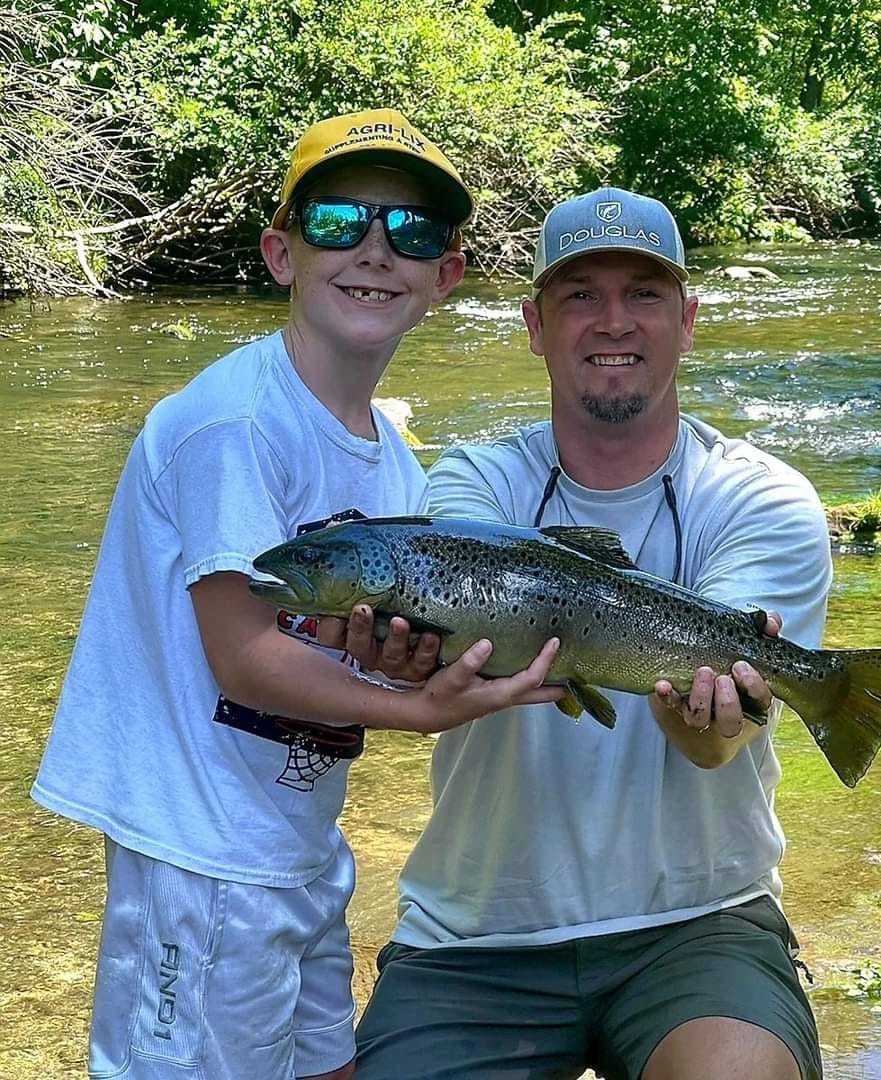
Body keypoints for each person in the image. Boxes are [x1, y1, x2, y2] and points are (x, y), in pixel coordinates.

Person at [30, 108, 562, 1080]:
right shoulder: (233, 422)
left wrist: (400, 670)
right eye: (337, 225)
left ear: (445, 277)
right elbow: (246, 656)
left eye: (410, 234)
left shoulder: (398, 469)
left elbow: (346, 650)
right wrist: (419, 716)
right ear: (281, 252)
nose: (373, 251)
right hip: (196, 849)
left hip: (295, 846)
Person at [347, 187, 832, 1079]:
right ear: (534, 324)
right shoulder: (472, 483)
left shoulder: (761, 498)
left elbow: (715, 747)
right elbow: (435, 657)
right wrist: (401, 673)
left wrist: (709, 713)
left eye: (643, 294)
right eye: (581, 296)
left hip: (700, 923)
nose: (614, 321)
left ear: (687, 320)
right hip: (474, 934)